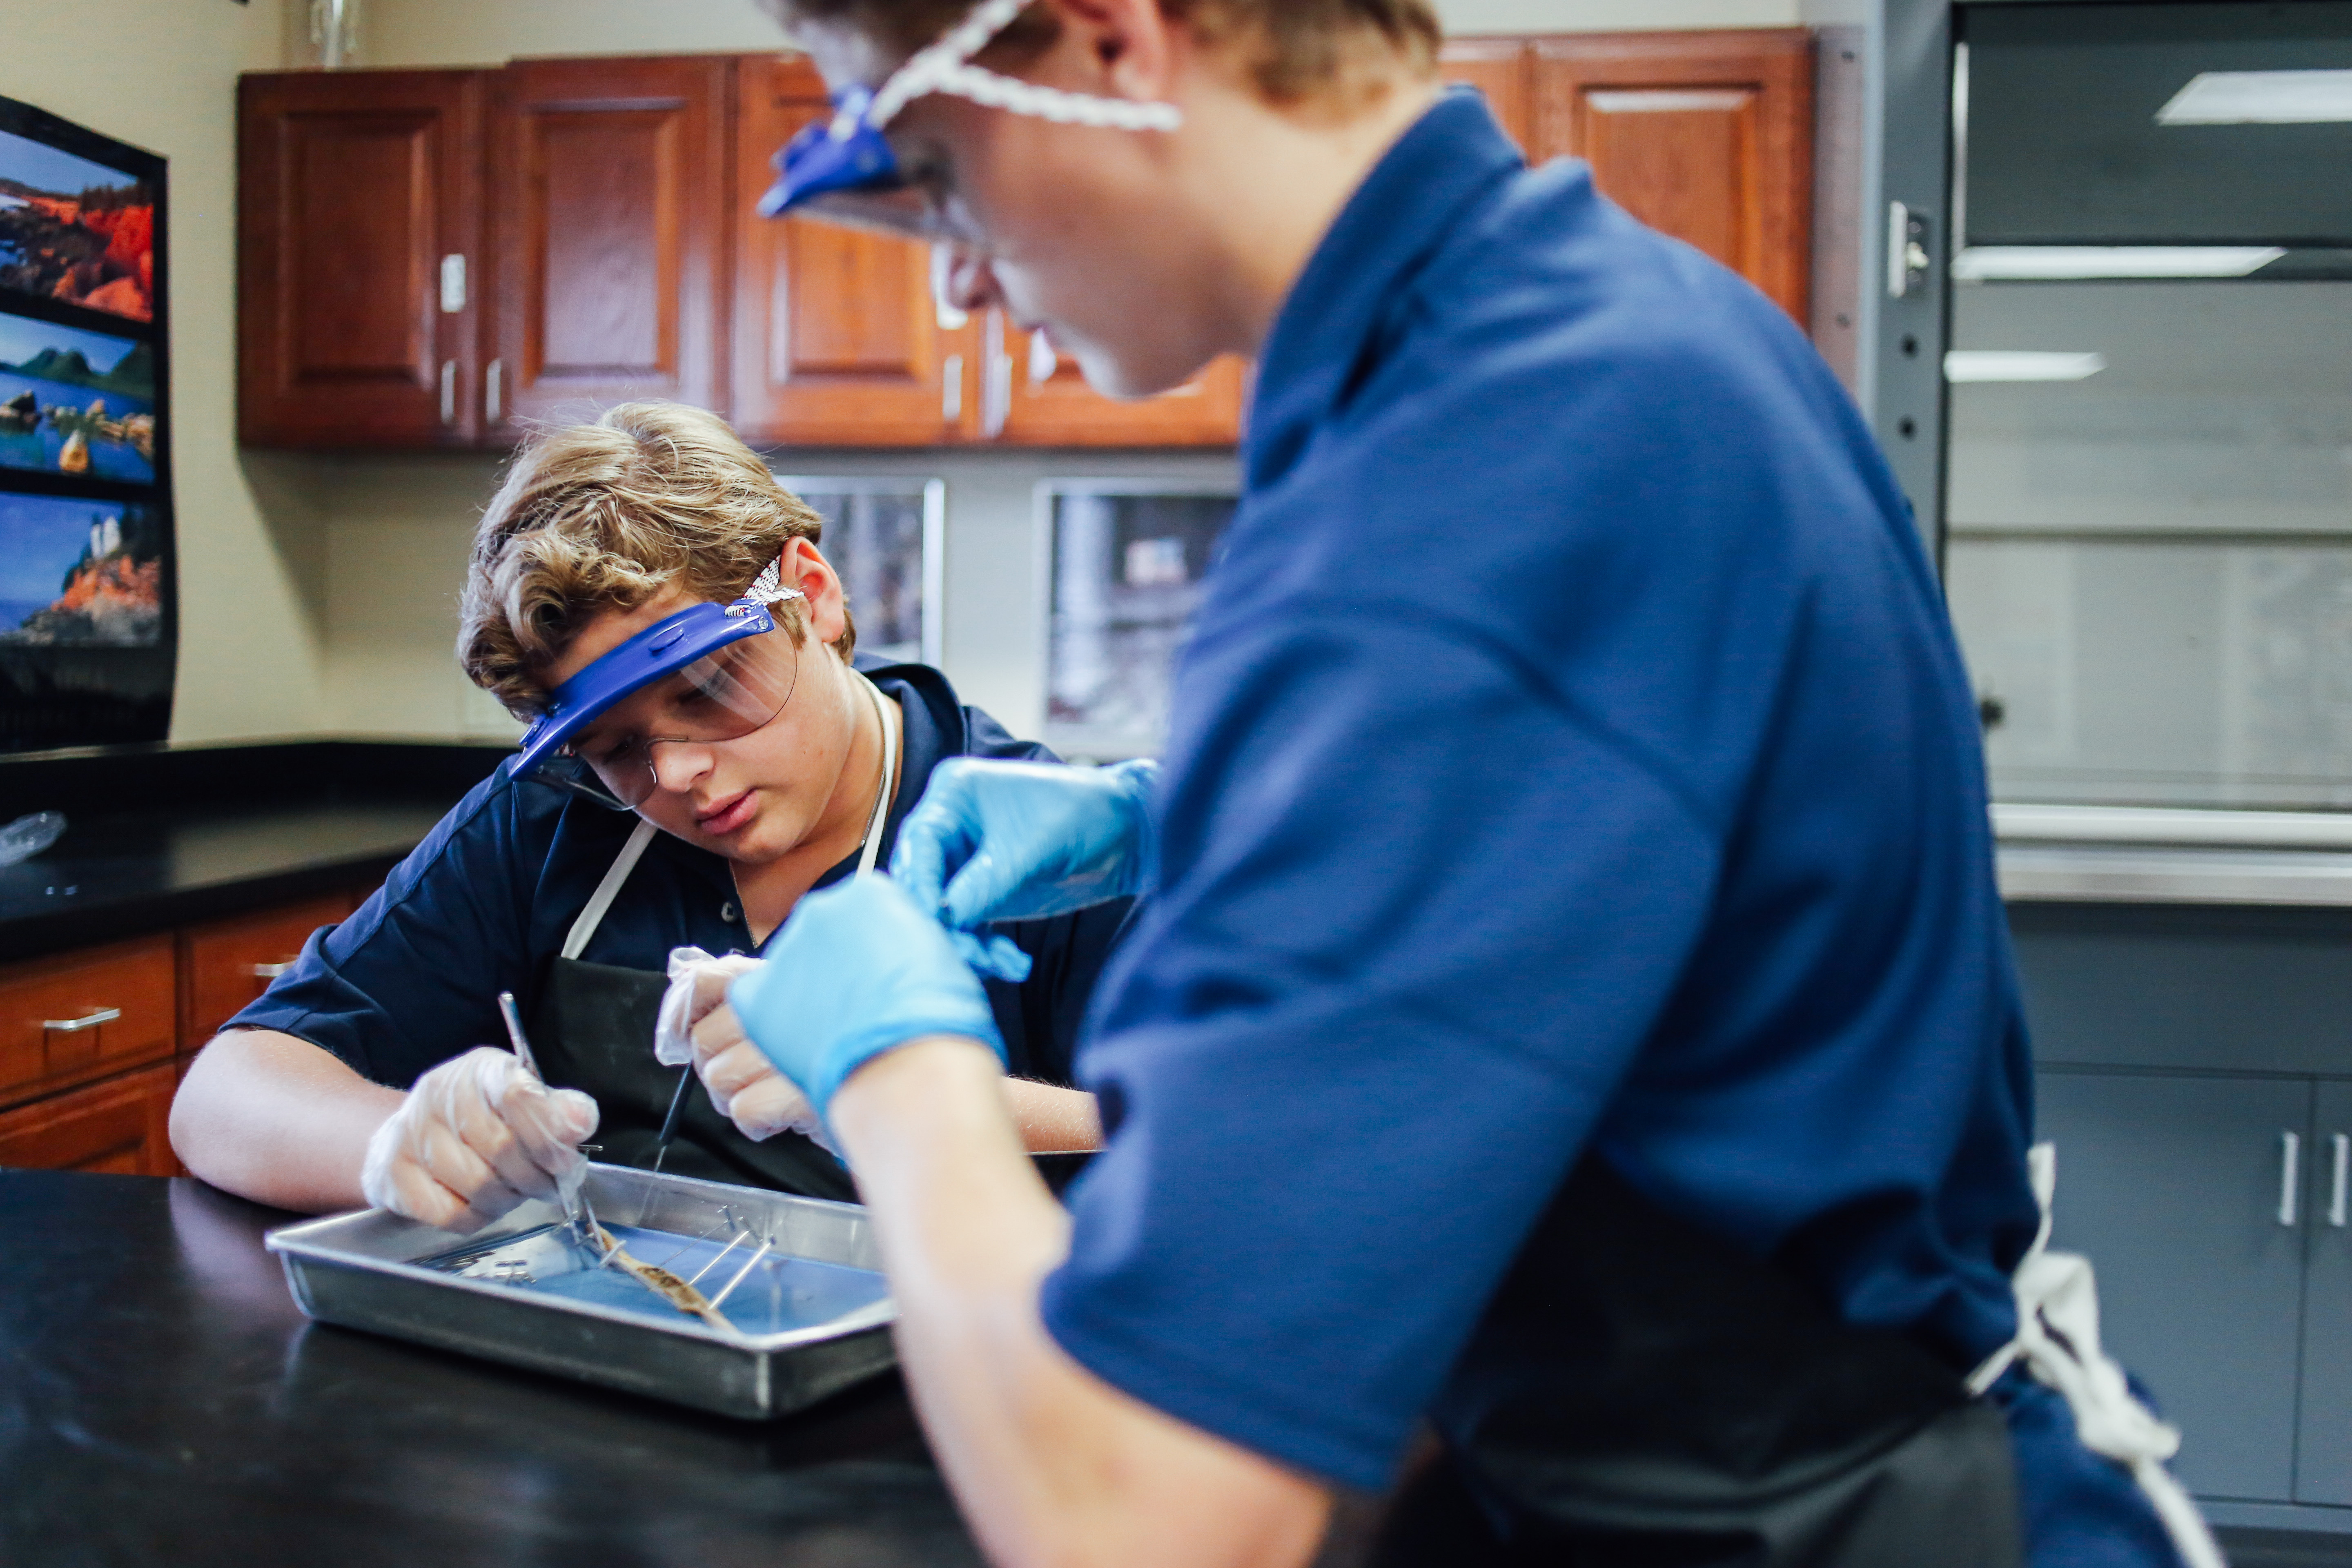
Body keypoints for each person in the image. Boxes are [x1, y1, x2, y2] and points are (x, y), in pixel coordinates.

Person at [693, 2, 2226, 1566]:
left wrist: (890, 1064)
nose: (948, 266)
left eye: (939, 166)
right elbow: (1620, 813)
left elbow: (1145, 1519)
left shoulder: (1489, 466)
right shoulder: (1598, 327)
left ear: (1111, 42)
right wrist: (1195, 810)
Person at [170, 401, 1119, 1231]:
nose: (678, 775)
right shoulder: (552, 819)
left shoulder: (1047, 843)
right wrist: (401, 1146)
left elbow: (1228, 1154)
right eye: (617, 747)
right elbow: (223, 1094)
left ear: (815, 598)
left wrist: (899, 1095)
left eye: (708, 688)